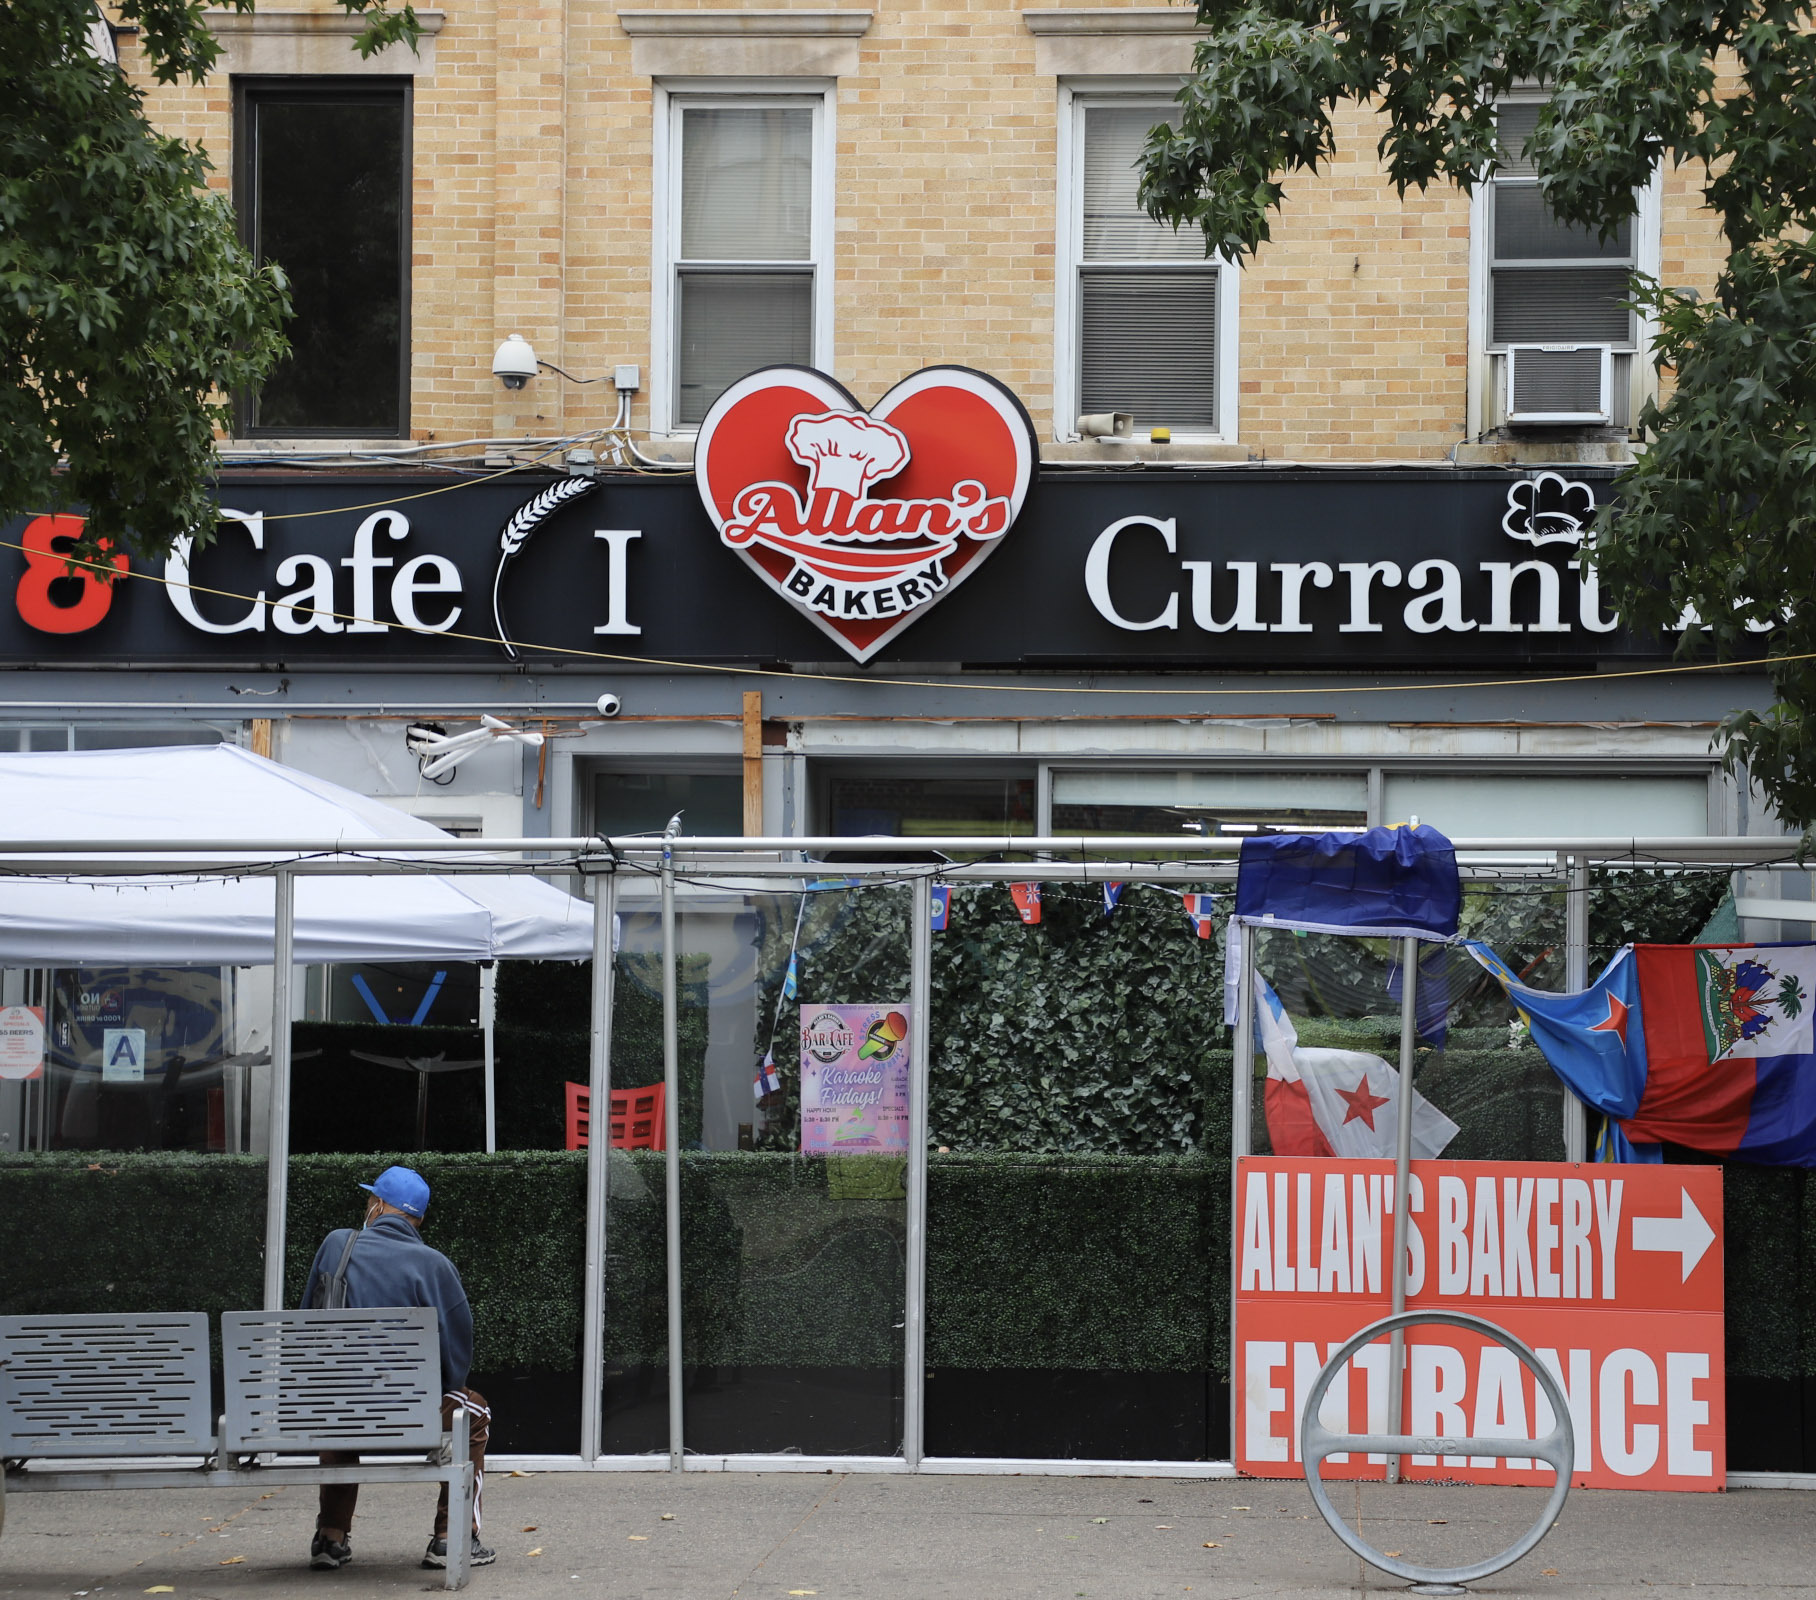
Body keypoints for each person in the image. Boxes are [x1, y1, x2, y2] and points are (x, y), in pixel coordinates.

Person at [299, 1164, 495, 1572]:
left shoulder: (337, 1245)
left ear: (378, 1207)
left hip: (335, 1411)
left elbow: (306, 1323)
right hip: (411, 1413)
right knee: (473, 1411)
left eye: (370, 1199)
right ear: (418, 1218)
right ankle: (450, 1538)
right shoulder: (434, 1265)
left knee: (341, 1398)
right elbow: (457, 1355)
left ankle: (330, 1538)